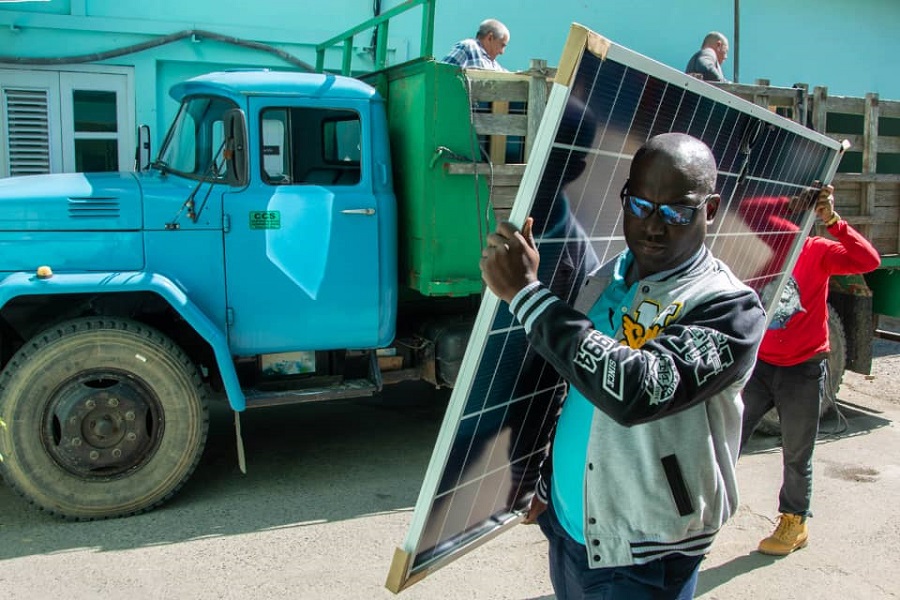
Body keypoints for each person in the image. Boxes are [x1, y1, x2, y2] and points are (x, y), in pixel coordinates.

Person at [480, 132, 766, 599]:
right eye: (640, 206)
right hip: (575, 528)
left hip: (646, 552)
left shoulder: (729, 309)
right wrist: (548, 484)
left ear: (710, 210)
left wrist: (528, 297)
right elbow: (572, 381)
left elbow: (638, 390)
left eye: (677, 211)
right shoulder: (608, 276)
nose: (654, 226)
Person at [739, 184, 881, 556]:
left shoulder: (818, 251)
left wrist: (833, 220)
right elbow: (747, 204)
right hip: (761, 365)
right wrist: (790, 199)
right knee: (728, 437)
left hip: (803, 368)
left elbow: (869, 261)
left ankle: (794, 521)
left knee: (796, 452)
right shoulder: (773, 240)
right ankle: (703, 515)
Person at [441, 19, 509, 71]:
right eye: (502, 45)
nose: (501, 52)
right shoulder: (469, 47)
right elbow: (442, 73)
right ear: (490, 38)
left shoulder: (494, 64)